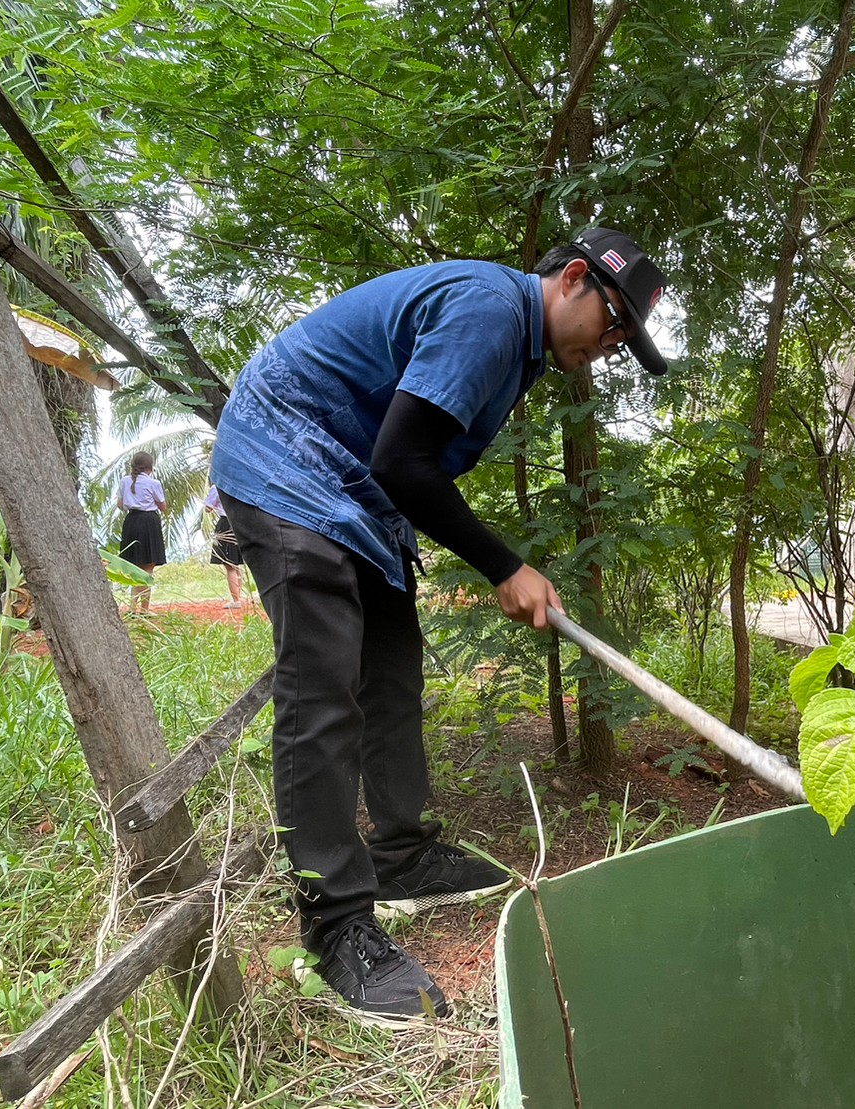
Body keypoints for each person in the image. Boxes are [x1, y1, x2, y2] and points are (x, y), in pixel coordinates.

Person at [211, 228, 670, 1021]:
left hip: (353, 492)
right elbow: (403, 462)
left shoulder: (519, 345)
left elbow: (402, 458)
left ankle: (399, 854)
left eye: (628, 337)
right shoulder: (492, 310)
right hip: (286, 461)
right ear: (571, 279)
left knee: (388, 670)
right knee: (321, 690)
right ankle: (335, 929)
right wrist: (504, 565)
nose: (614, 344)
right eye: (615, 320)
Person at [117, 452, 167, 613]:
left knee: (135, 565)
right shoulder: (154, 483)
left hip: (131, 522)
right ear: (150, 467)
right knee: (148, 566)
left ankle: (132, 607)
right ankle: (144, 609)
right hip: (149, 522)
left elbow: (120, 504)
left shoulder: (124, 481)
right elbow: (163, 506)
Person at [203, 484, 245, 609]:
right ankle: (239, 596)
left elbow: (208, 508)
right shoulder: (238, 485)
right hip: (239, 523)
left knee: (230, 565)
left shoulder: (217, 487)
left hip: (225, 524)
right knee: (236, 564)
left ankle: (236, 599)